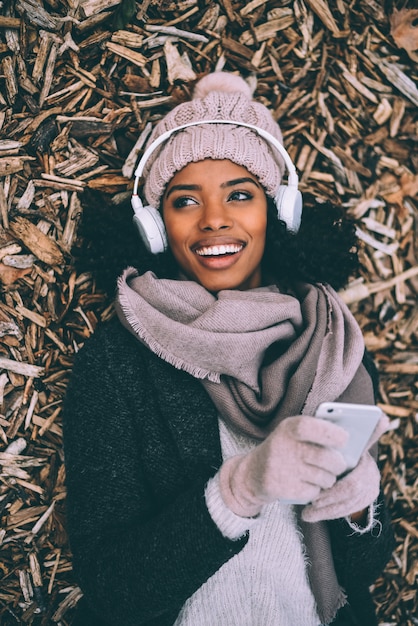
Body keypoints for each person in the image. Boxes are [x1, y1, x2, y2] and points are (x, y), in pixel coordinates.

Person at [63, 72, 394, 626]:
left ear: (278, 211)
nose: (214, 218)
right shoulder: (115, 365)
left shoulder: (338, 349)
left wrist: (360, 505)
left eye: (240, 195)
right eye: (185, 201)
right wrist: (238, 489)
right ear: (155, 227)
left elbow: (362, 568)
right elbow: (113, 587)